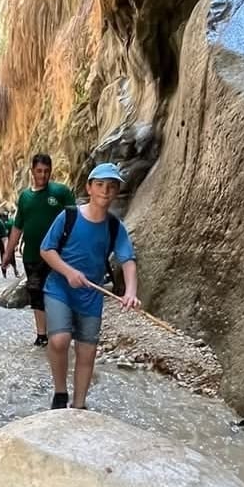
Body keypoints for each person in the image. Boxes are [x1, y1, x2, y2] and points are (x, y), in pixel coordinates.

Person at [40, 162, 139, 410]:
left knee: (87, 352)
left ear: (117, 191)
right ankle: (60, 392)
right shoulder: (69, 216)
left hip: (92, 294)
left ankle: (79, 405)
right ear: (89, 188)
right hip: (60, 288)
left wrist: (130, 292)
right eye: (100, 185)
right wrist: (69, 272)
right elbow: (46, 249)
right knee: (60, 340)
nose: (105, 190)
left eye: (111, 186)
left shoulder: (115, 226)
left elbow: (128, 260)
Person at [3, 154, 76, 347]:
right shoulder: (25, 197)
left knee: (58, 292)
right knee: (36, 293)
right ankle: (41, 335)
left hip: (58, 254)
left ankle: (60, 331)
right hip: (32, 255)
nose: (43, 175)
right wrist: (8, 253)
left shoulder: (61, 192)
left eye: (46, 171)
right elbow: (17, 227)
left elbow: (74, 219)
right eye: (39, 171)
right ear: (32, 171)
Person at [0, 207, 19, 278]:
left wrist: (16, 242)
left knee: (11, 256)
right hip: (4, 242)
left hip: (9, 242)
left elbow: (14, 232)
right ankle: (6, 272)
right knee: (5, 256)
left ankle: (14, 270)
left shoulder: (9, 222)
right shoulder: (0, 223)